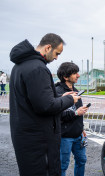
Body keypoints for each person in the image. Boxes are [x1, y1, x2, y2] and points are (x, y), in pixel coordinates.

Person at [9, 33, 81, 176]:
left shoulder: (20, 66)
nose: (56, 58)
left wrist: (59, 97)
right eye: (56, 53)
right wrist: (68, 100)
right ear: (48, 47)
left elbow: (36, 99)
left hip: (26, 136)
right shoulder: (38, 68)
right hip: (39, 140)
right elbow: (45, 106)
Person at [55, 62, 89, 176]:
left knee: (82, 161)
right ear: (65, 77)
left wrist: (82, 128)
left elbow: (78, 111)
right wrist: (76, 113)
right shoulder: (58, 92)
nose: (78, 75)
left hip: (78, 135)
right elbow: (58, 115)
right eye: (75, 73)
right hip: (64, 136)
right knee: (63, 165)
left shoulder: (75, 90)